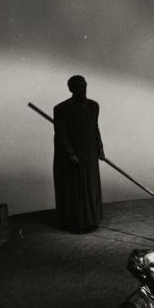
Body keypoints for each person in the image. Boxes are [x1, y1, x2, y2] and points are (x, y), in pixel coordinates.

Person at [53, 75, 105, 233]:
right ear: (70, 89)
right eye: (77, 86)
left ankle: (92, 221)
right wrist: (71, 155)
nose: (81, 89)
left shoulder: (94, 106)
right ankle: (77, 224)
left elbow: (95, 128)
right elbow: (61, 136)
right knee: (76, 189)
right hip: (73, 154)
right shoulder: (61, 109)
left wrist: (100, 148)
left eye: (83, 86)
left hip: (90, 151)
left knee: (91, 187)